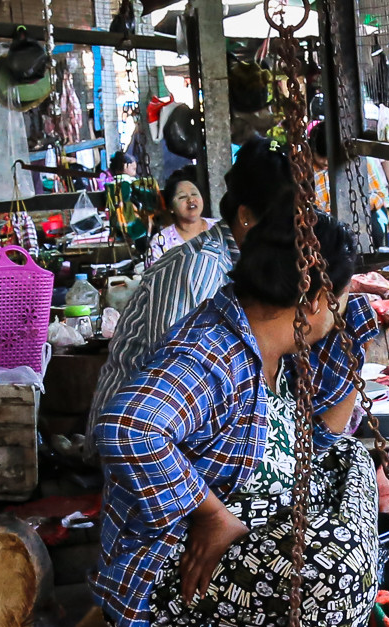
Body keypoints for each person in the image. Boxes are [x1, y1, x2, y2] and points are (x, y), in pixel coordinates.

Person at [93, 208, 388, 627]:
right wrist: (210, 516)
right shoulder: (214, 354)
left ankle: (330, 621)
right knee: (340, 566)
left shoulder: (272, 343)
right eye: (340, 301)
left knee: (352, 460)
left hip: (257, 525)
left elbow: (316, 439)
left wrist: (350, 333)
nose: (341, 312)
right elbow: (127, 427)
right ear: (312, 302)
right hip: (169, 580)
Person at [88, 138, 290, 430]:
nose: (289, 235)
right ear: (245, 217)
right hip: (139, 438)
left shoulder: (247, 261)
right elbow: (171, 385)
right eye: (281, 222)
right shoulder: (199, 269)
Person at [307, 121, 389, 248]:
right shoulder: (306, 170)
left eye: (329, 157)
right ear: (312, 151)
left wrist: (356, 207)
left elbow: (379, 194)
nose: (325, 162)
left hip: (359, 225)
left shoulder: (359, 162)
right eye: (321, 157)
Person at [147, 168, 218, 264]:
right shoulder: (161, 242)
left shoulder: (219, 228)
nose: (191, 199)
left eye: (194, 194)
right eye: (182, 197)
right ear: (171, 207)